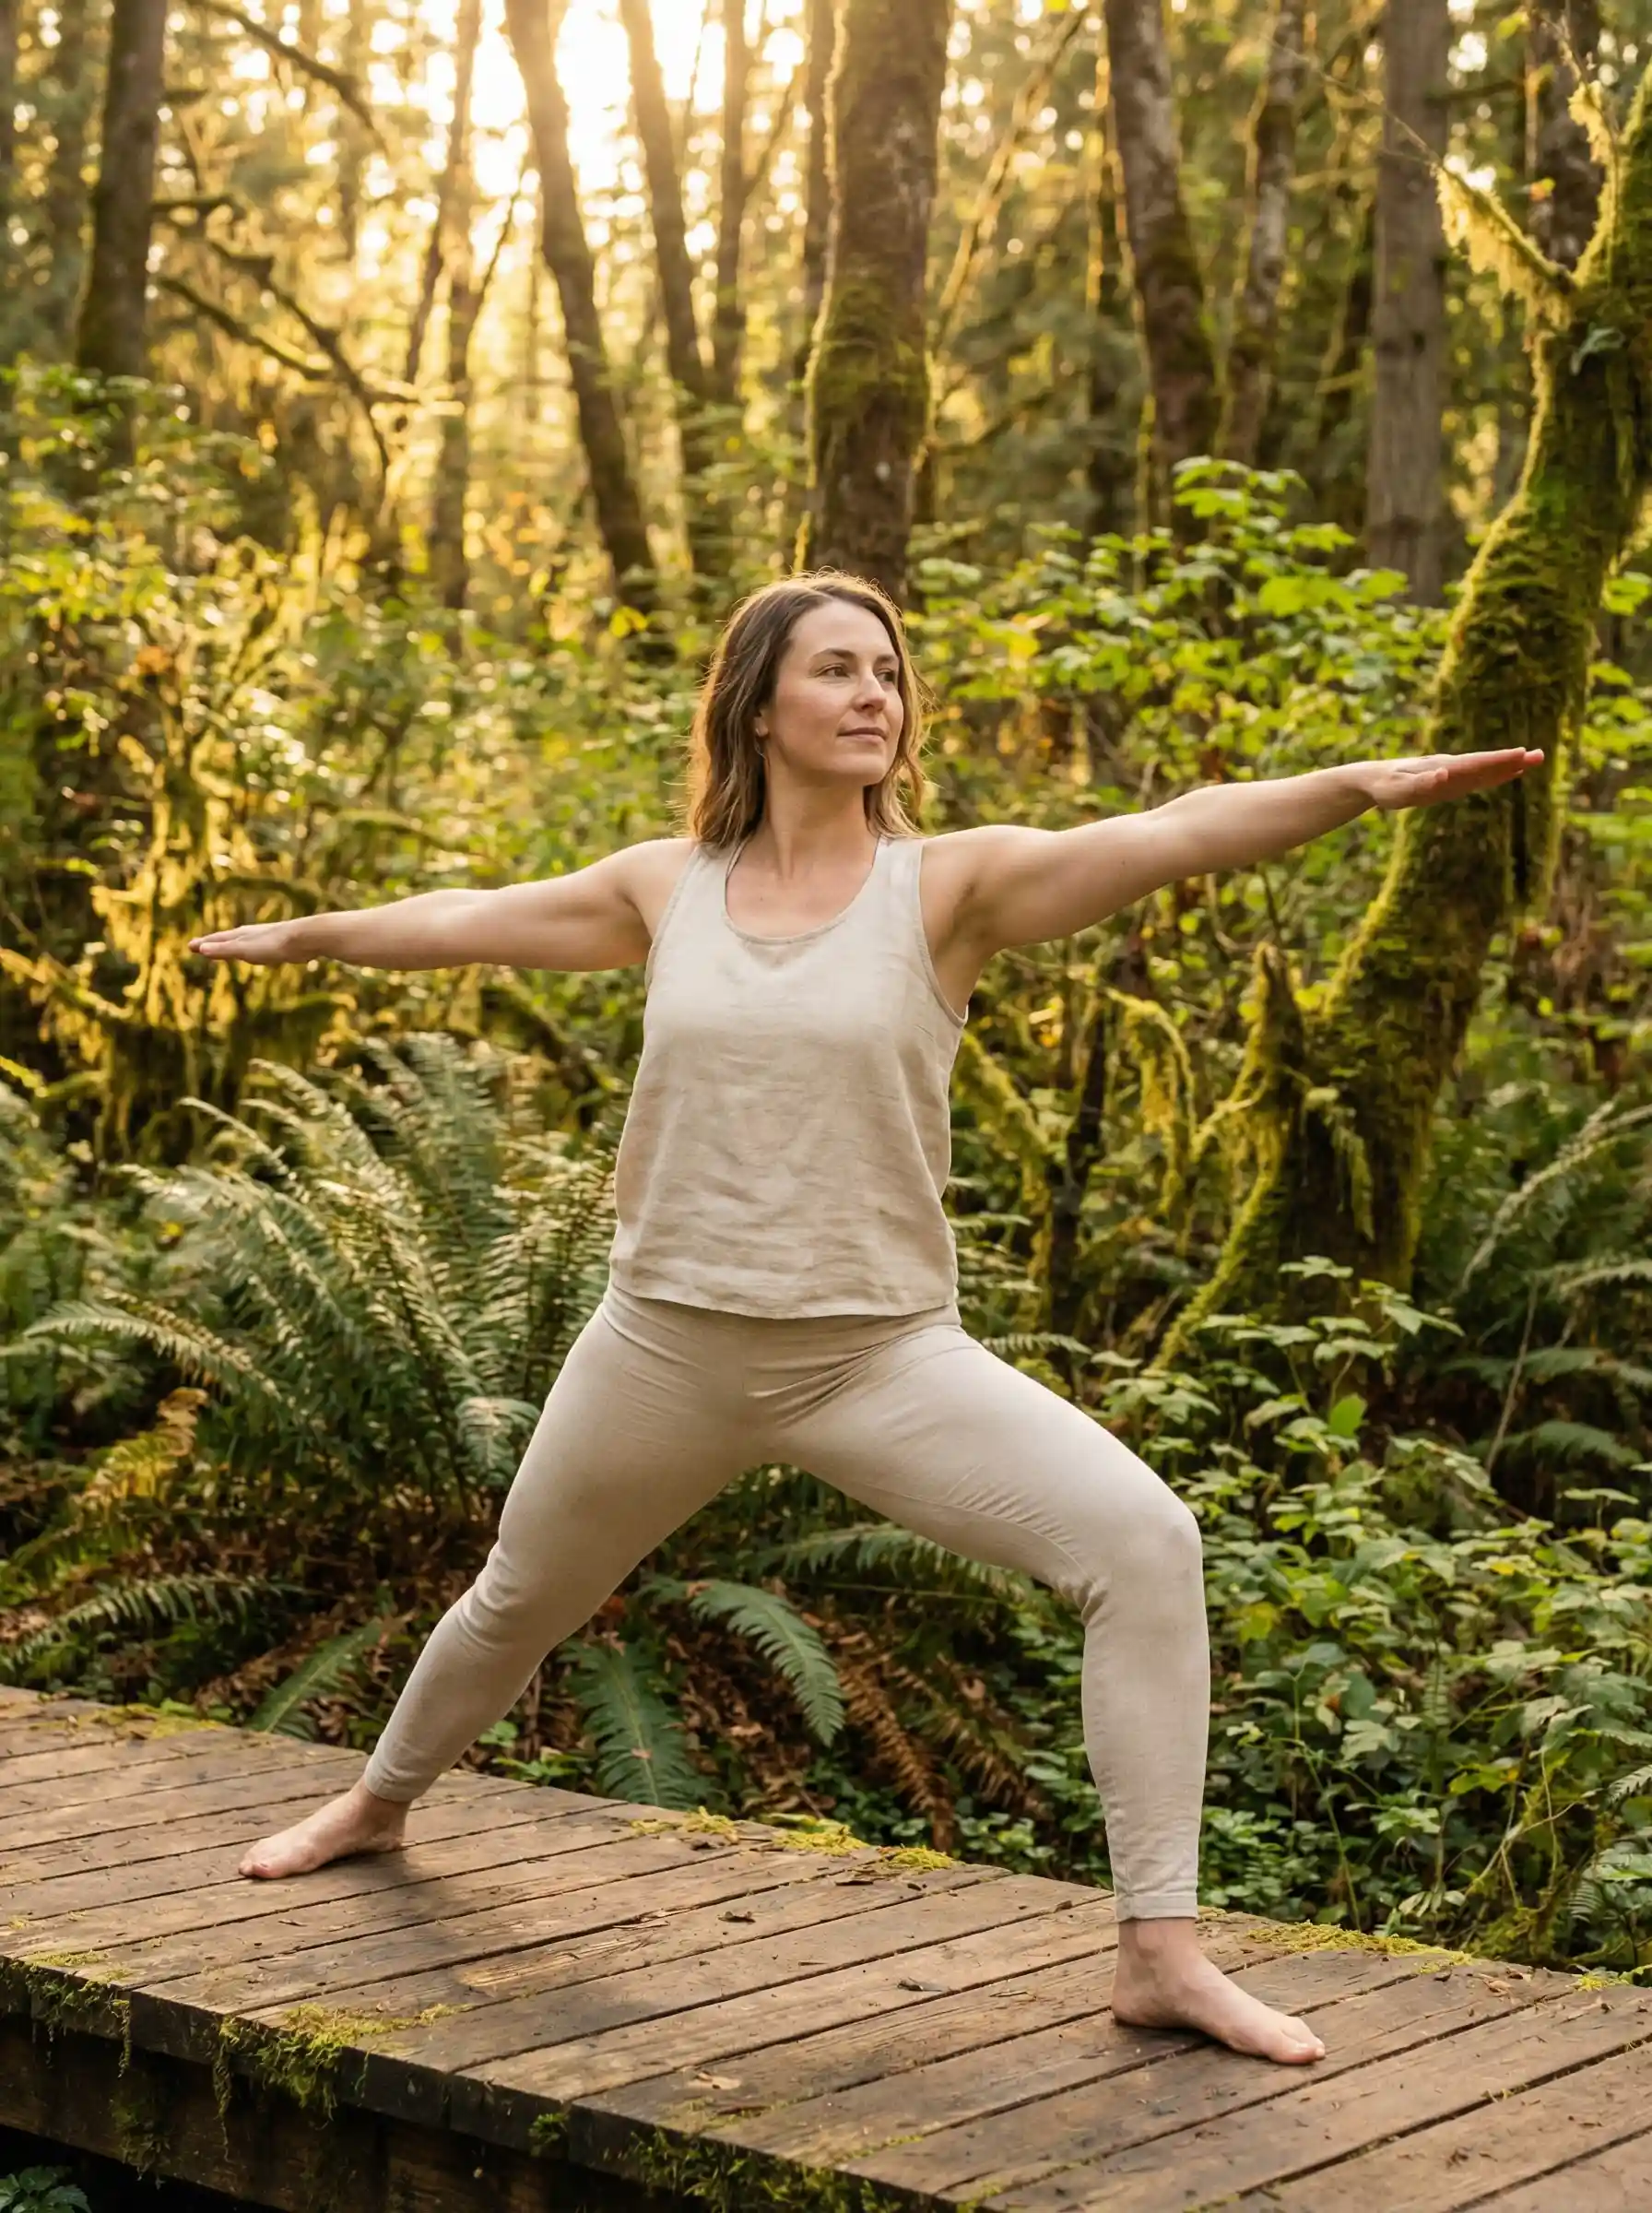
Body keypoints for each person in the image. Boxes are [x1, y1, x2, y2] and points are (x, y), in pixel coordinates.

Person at [189, 570, 1540, 2066]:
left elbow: (1166, 833)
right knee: (520, 1595)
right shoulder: (666, 888)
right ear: (758, 703)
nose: (873, 696)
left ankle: (1160, 1952)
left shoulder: (948, 889)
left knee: (1149, 1546)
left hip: (877, 1357)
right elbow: (471, 919)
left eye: (889, 673)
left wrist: (1354, 787)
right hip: (664, 1348)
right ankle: (377, 1806)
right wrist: (309, 937)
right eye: (836, 670)